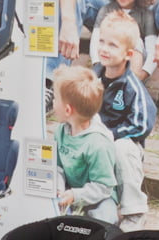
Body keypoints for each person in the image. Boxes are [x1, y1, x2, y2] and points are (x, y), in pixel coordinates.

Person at [92, 10, 154, 231]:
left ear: (128, 53)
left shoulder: (131, 86)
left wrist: (111, 135)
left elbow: (142, 124)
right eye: (102, 41)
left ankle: (134, 211)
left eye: (112, 45)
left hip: (122, 143)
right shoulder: (93, 76)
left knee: (122, 149)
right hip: (95, 140)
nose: (104, 49)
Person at [51, 65, 120, 224]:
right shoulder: (61, 131)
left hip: (99, 196)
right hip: (70, 190)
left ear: (67, 110)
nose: (53, 102)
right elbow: (57, 166)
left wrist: (76, 195)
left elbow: (103, 187)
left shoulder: (98, 144)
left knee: (106, 218)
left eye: (55, 99)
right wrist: (58, 188)